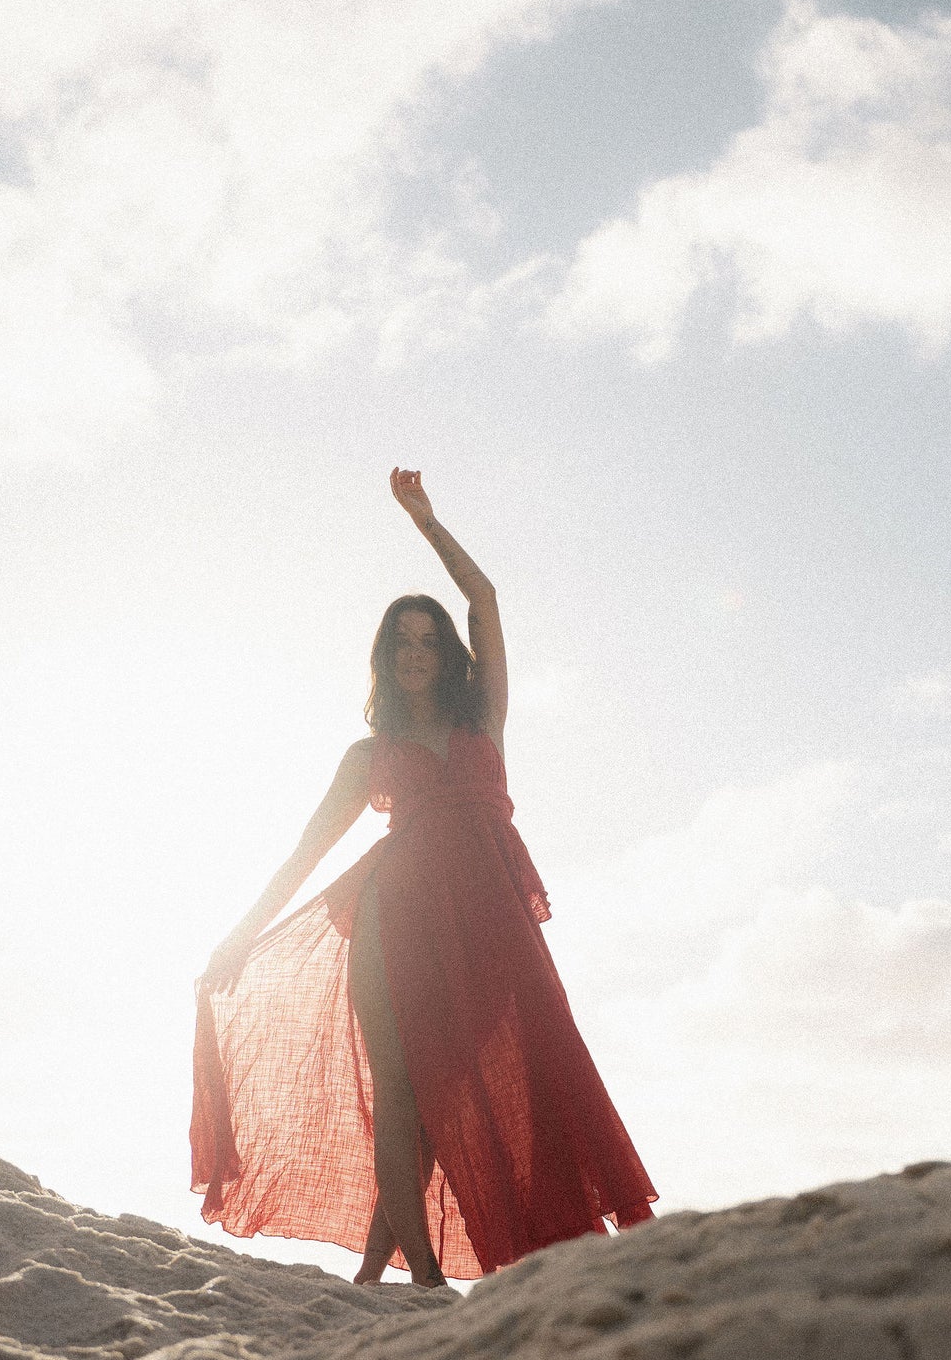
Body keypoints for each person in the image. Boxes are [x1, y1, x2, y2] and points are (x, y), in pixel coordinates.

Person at [192, 468, 657, 1286]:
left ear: (447, 654)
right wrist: (238, 935)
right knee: (405, 1091)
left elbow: (484, 600)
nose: (415, 653)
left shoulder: (485, 719)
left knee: (466, 1090)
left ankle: (376, 1269)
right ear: (384, 657)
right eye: (400, 642)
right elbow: (307, 849)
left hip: (489, 923)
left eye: (427, 639)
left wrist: (426, 521)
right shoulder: (368, 756)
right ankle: (427, 1286)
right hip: (392, 916)